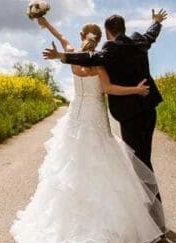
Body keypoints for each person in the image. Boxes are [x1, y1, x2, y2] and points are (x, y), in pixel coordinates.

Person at [10, 16, 165, 243]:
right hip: (95, 117)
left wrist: (45, 22)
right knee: (104, 162)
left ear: (82, 37)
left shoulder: (74, 55)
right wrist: (136, 90)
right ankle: (139, 219)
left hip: (76, 117)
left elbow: (62, 38)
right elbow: (108, 89)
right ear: (100, 38)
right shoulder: (100, 63)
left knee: (70, 165)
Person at [43, 9, 168, 171]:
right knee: (144, 157)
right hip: (149, 108)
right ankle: (150, 196)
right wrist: (156, 22)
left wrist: (63, 56)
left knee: (138, 162)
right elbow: (151, 35)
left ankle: (149, 196)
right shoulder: (138, 41)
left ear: (108, 32)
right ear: (123, 28)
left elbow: (91, 58)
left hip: (129, 113)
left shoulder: (111, 49)